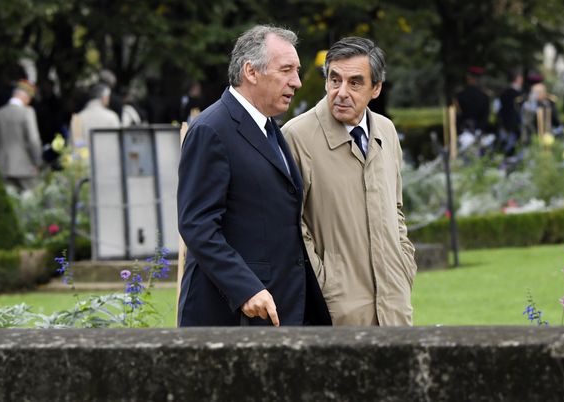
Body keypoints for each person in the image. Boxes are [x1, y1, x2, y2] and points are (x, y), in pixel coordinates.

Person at [176, 25, 331, 327]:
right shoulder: (211, 129)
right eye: (286, 70)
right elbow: (197, 225)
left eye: (297, 71)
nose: (297, 82)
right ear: (251, 71)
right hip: (230, 314)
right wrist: (246, 289)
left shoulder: (269, 127)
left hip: (278, 307)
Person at [281, 37, 417, 326]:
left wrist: (404, 267)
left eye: (355, 83)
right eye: (334, 80)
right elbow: (291, 226)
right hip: (337, 312)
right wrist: (326, 283)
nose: (341, 92)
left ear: (376, 88)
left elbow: (396, 210)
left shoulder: (387, 131)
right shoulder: (296, 136)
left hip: (395, 308)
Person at [0, 79, 43, 193]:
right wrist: (38, 163)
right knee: (29, 204)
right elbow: (33, 141)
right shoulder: (27, 112)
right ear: (26, 97)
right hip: (25, 167)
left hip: (2, 166)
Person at [70, 83, 121, 149]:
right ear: (105, 97)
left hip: (84, 158)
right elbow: (116, 143)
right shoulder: (112, 117)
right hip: (107, 158)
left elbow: (75, 146)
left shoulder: (77, 118)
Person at [454, 66, 490, 134]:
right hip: (479, 132)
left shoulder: (459, 95)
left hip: (463, 131)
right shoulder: (484, 96)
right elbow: (485, 117)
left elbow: (457, 115)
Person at [496, 70, 524, 156]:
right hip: (513, 124)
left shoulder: (504, 92)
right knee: (510, 147)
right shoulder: (517, 94)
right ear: (517, 80)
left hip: (504, 123)